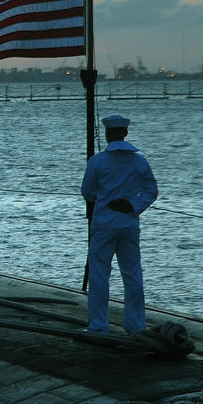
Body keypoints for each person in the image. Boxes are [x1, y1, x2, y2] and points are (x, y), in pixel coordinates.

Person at [80, 114, 158, 335]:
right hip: (129, 225)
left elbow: (87, 192)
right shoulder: (139, 161)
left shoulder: (97, 161)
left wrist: (102, 196)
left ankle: (98, 326)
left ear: (107, 134)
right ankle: (135, 326)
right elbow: (152, 190)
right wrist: (133, 205)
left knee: (99, 275)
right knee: (133, 274)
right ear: (125, 133)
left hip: (104, 225)